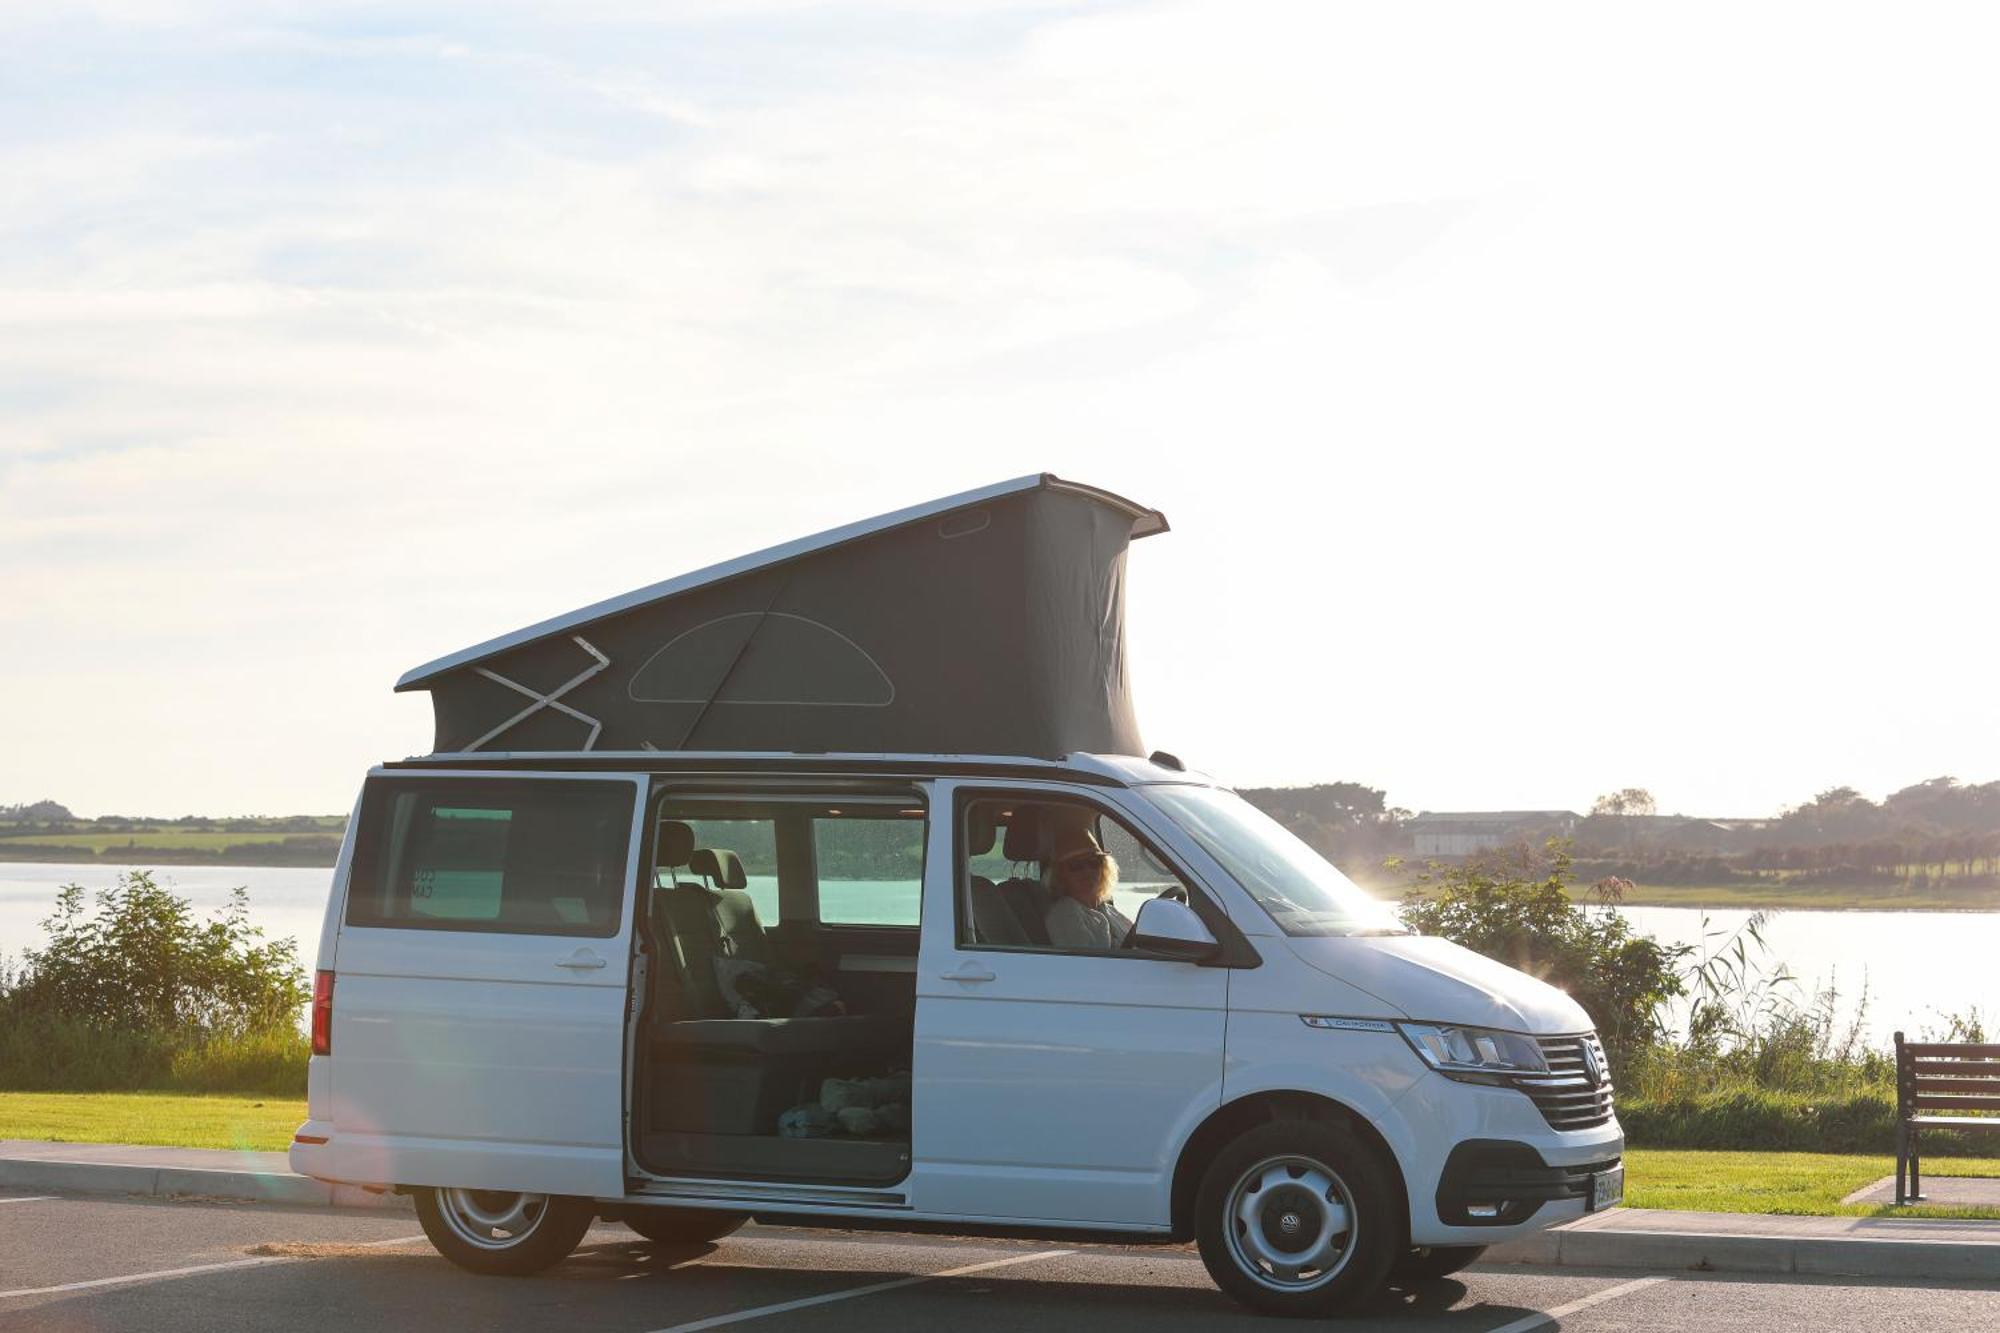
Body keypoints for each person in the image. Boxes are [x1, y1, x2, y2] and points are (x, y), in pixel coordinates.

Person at [1042, 824, 1133, 950]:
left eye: (1093, 863)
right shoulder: (1064, 913)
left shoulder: (1107, 909)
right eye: (1076, 865)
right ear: (1060, 874)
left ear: (1104, 868)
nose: (1087, 871)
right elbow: (1088, 964)